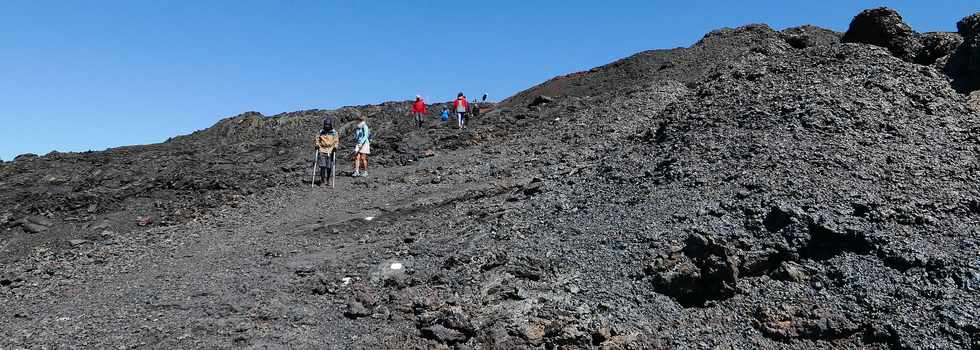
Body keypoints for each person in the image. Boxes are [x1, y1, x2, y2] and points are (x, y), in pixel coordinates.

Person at [313, 117, 340, 186]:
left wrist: (335, 147)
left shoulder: (334, 132)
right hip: (322, 149)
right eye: (325, 124)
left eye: (328, 125)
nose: (327, 126)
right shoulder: (321, 132)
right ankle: (322, 180)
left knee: (329, 167)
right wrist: (317, 145)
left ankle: (328, 179)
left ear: (330, 125)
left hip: (330, 150)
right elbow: (317, 139)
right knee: (322, 166)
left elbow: (336, 141)